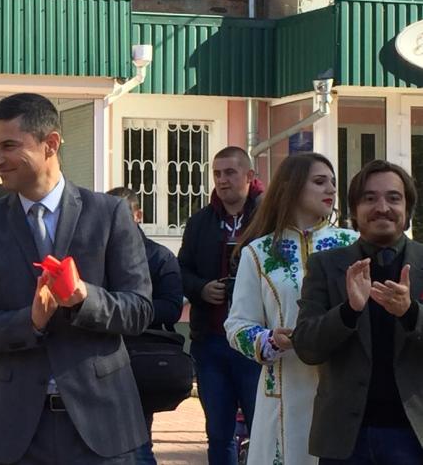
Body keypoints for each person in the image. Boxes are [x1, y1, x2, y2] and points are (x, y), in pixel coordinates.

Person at [0, 93, 153, 464]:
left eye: (9, 145)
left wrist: (83, 298)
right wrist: (30, 322)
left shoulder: (108, 214)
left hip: (102, 427)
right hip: (19, 431)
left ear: (51, 144)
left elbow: (139, 310)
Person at [223, 153, 357, 465]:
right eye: (320, 181)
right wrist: (269, 340)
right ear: (293, 187)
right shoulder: (258, 252)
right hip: (285, 390)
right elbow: (237, 325)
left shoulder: (352, 245)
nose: (331, 189)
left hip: (345, 387)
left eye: (333, 182)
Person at [293, 160, 423, 464]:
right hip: (345, 439)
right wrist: (348, 311)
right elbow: (306, 347)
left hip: (414, 436)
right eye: (369, 198)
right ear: (353, 211)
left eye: (393, 198)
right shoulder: (326, 265)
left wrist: (410, 313)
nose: (382, 207)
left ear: (407, 211)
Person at [178, 145, 264, 465]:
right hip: (211, 340)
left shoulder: (268, 217)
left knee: (262, 427)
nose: (222, 180)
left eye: (230, 173)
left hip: (256, 341)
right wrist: (201, 288)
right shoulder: (201, 221)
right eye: (217, 174)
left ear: (249, 176)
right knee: (218, 432)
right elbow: (181, 269)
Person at [106, 187, 184, 465]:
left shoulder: (160, 257)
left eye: (122, 215)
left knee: (138, 446)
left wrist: (126, 310)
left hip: (141, 359)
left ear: (138, 215)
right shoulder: (93, 255)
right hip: (100, 358)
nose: (114, 222)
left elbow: (172, 308)